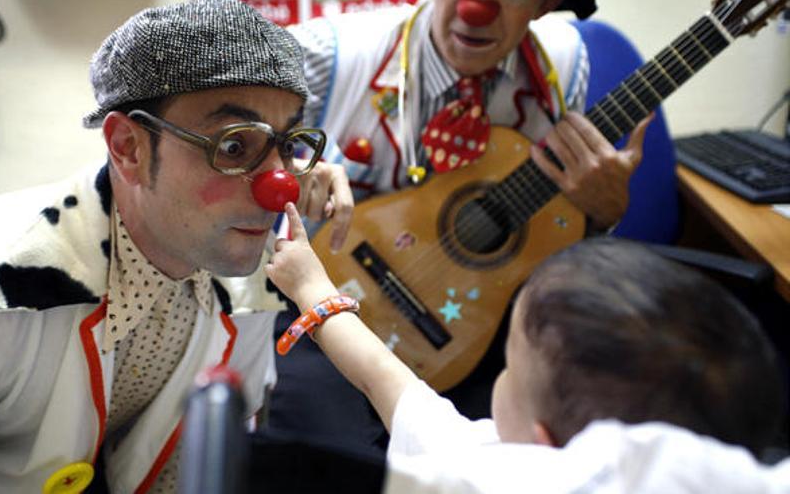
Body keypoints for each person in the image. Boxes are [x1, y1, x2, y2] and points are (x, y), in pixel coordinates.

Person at [0, 0, 353, 492]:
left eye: (289, 145)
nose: (281, 186)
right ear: (128, 148)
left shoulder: (252, 288)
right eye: (233, 145)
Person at [266, 0, 651, 448]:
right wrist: (287, 169)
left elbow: (555, 223)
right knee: (324, 459)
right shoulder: (330, 52)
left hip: (469, 327)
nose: (475, 10)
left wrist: (600, 212)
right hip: (324, 299)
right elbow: (226, 149)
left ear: (545, 7)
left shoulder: (564, 63)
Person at [266, 202, 788, 493]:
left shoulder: (488, 474)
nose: (501, 377)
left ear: (543, 450)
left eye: (509, 369)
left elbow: (383, 377)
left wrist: (309, 287)